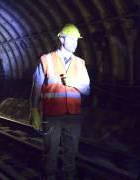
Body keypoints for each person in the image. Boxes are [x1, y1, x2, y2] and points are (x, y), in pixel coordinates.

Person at [30, 24, 90, 180]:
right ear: (62, 39)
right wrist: (34, 109)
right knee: (51, 151)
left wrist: (73, 83)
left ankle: (70, 176)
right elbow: (36, 86)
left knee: (72, 151)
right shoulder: (46, 59)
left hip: (73, 116)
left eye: (77, 40)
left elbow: (87, 89)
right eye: (71, 39)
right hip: (52, 116)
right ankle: (49, 176)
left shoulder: (80, 63)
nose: (75, 43)